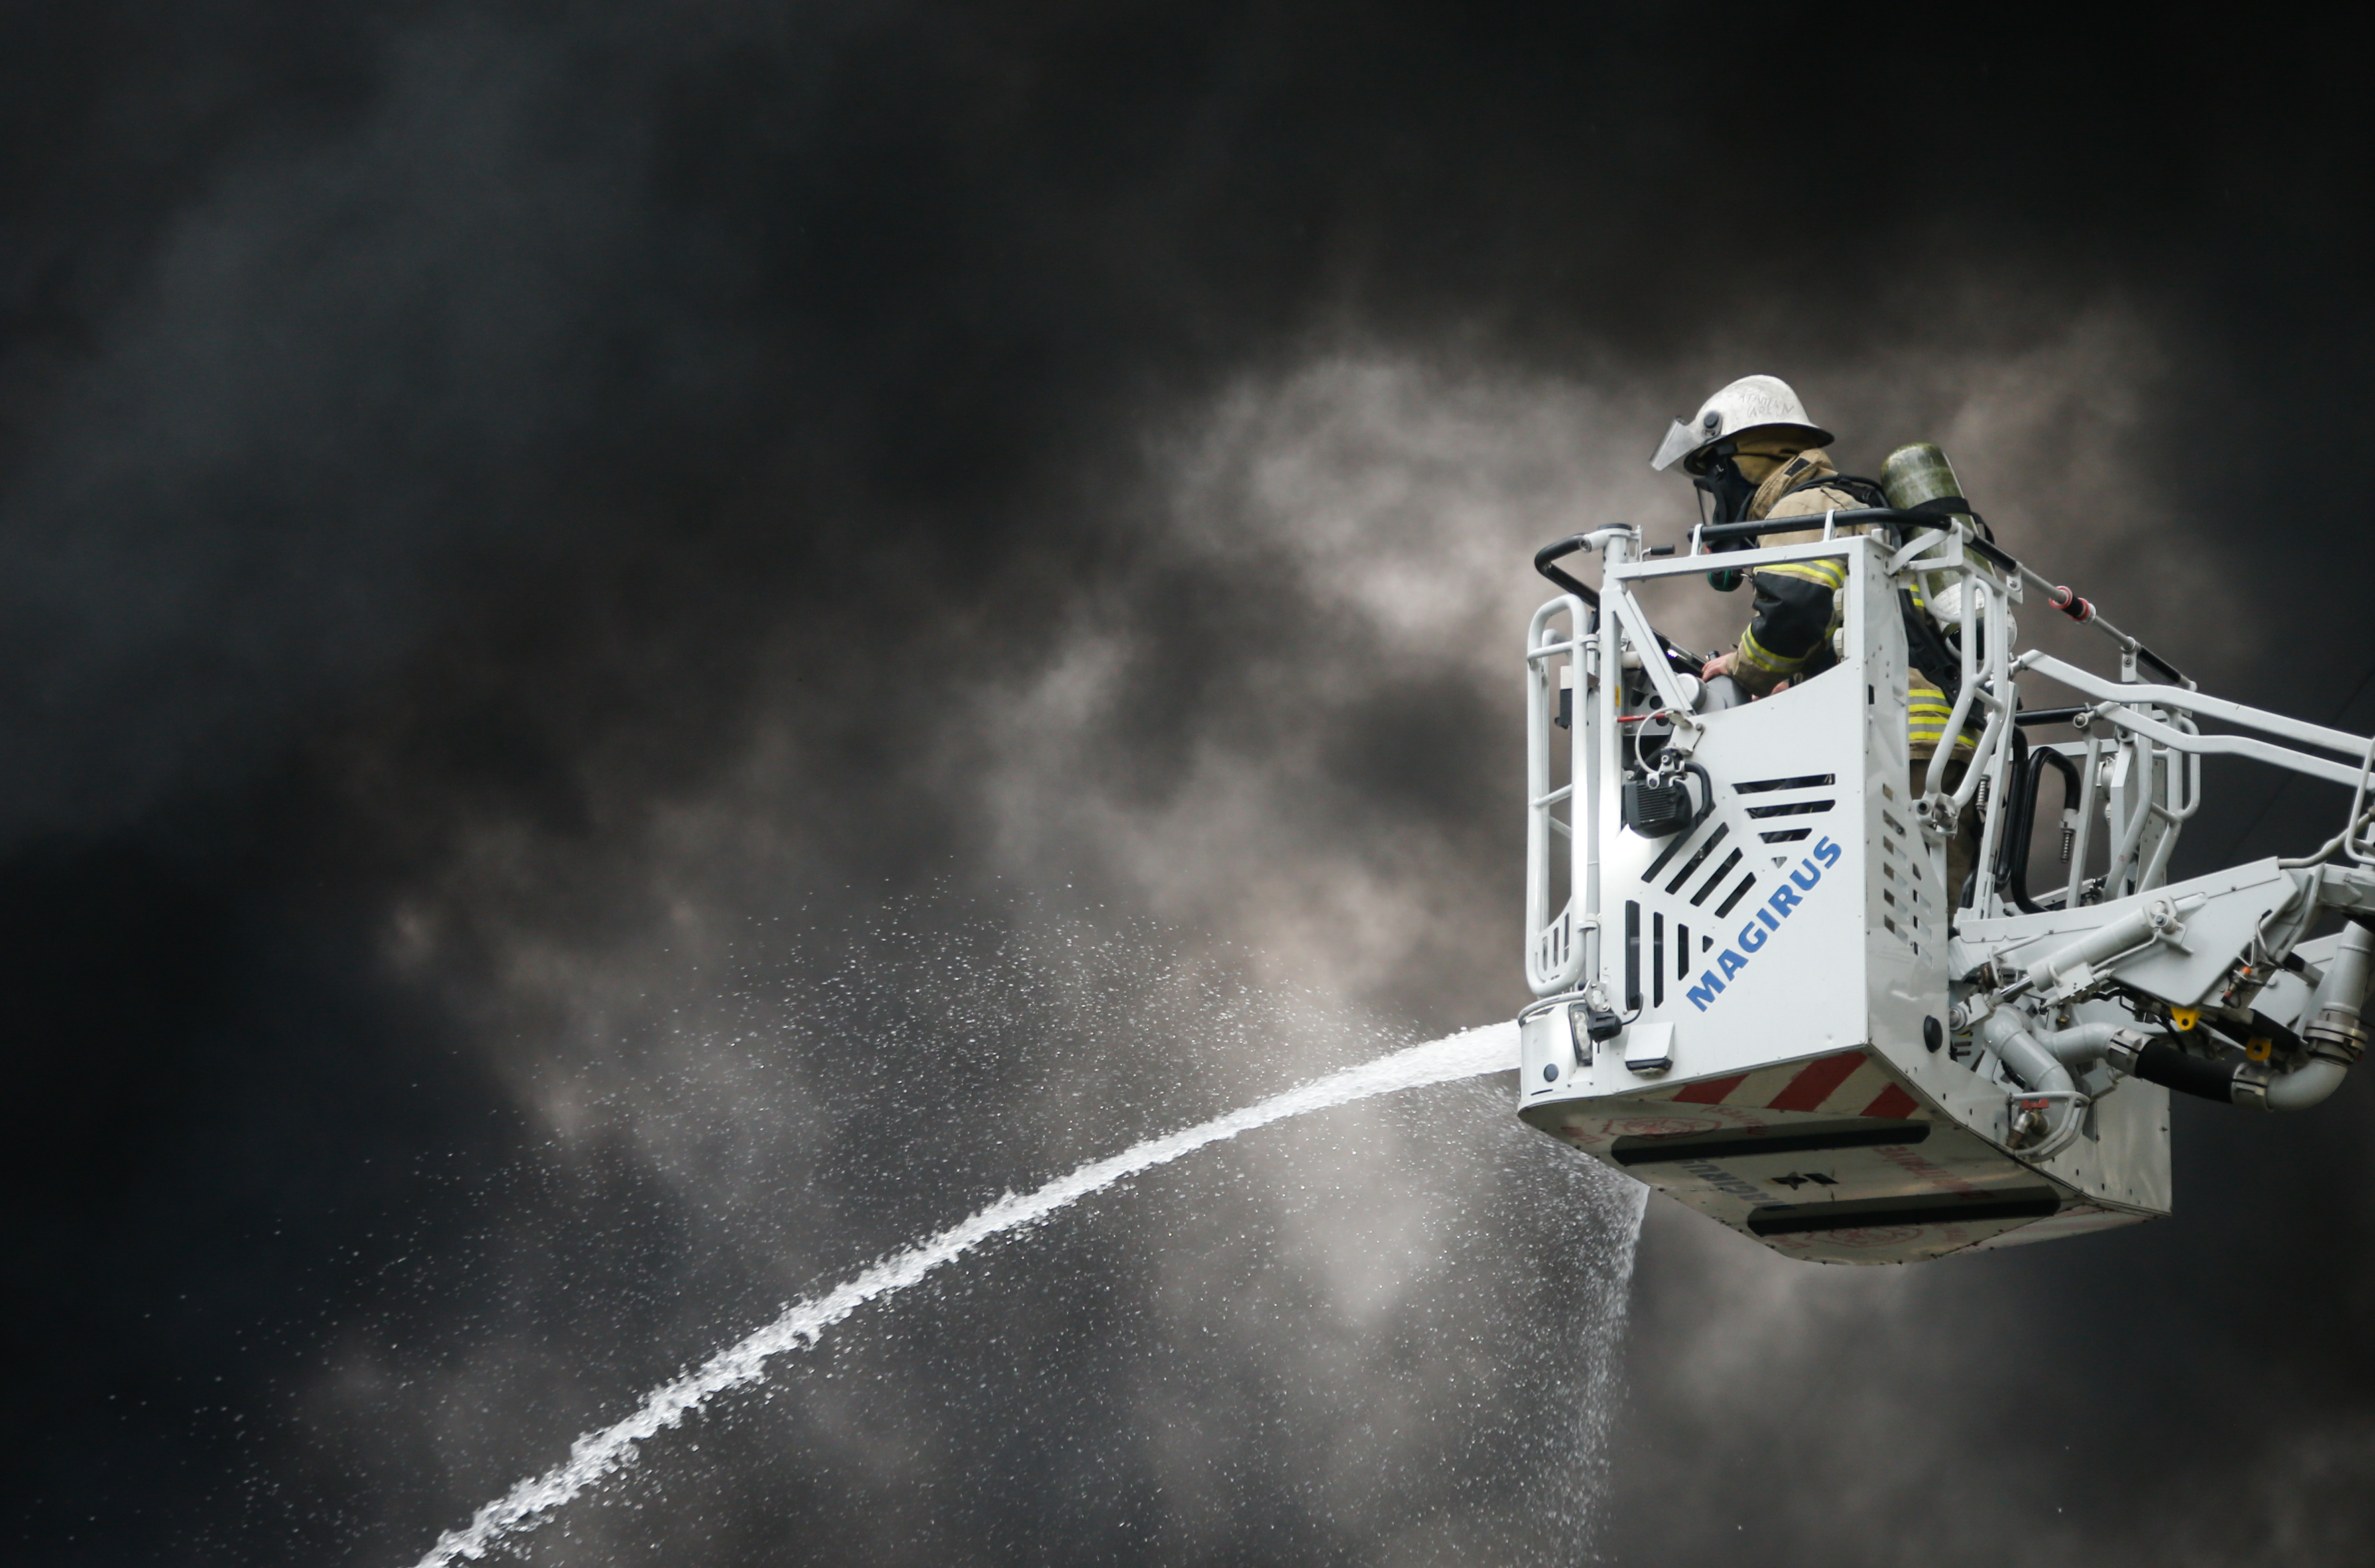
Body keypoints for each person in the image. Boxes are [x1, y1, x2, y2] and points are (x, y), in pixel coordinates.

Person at [1650, 375, 1982, 906]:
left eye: (1713, 481)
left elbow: (1794, 610)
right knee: (1925, 916)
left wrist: (1744, 668)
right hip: (1925, 743)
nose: (1715, 498)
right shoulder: (1843, 505)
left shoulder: (1802, 507)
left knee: (1899, 921)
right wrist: (1797, 685)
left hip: (1895, 747)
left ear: (1736, 463)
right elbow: (1850, 625)